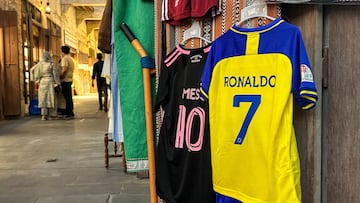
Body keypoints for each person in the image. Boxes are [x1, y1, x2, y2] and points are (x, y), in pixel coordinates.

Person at [33, 51, 61, 120]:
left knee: (43, 99)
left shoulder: (39, 64)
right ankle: (53, 114)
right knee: (51, 98)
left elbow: (34, 72)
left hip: (42, 83)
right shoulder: (51, 64)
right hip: (50, 82)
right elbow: (55, 75)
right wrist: (57, 83)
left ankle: (44, 115)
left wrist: (38, 81)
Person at [60, 45, 75, 119]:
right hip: (70, 79)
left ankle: (68, 112)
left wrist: (61, 76)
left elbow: (64, 69)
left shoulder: (65, 59)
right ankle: (70, 111)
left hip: (65, 80)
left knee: (66, 97)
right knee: (69, 96)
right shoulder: (71, 59)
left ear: (62, 52)